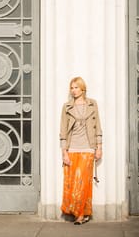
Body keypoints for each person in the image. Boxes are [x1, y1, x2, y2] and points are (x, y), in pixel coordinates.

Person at [60, 76, 103, 225]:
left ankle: (79, 215)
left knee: (83, 183)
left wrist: (99, 147)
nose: (73, 90)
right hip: (72, 149)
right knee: (72, 183)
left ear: (82, 88)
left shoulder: (92, 104)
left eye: (76, 87)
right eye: (71, 88)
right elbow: (63, 131)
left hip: (87, 148)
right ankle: (83, 213)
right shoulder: (67, 107)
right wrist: (64, 152)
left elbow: (97, 126)